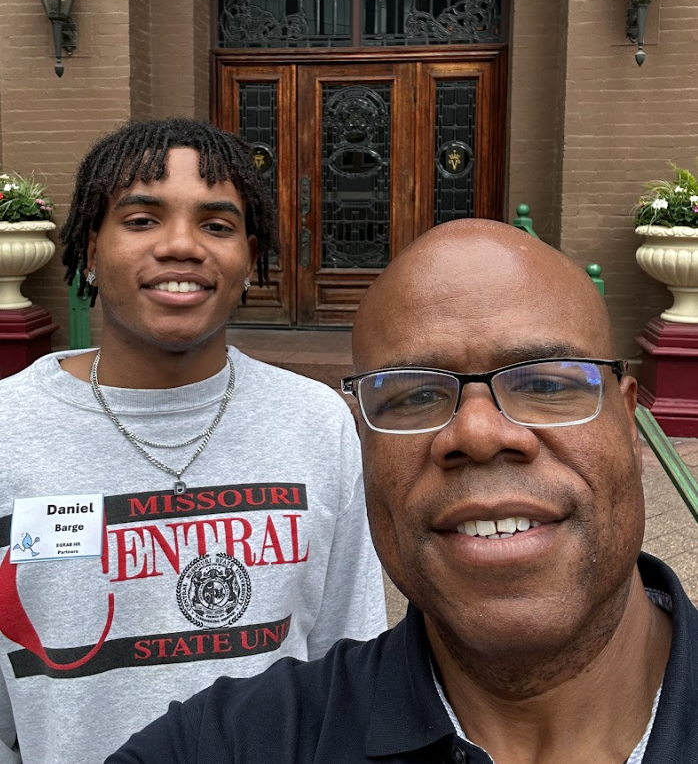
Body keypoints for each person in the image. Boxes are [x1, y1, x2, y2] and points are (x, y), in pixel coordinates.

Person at [107, 218, 698, 764]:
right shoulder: (235, 742)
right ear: (364, 446)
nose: (479, 433)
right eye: (414, 395)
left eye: (544, 382)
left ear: (629, 425)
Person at [0, 117, 386, 764]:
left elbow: (353, 666)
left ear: (249, 256)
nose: (181, 245)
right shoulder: (10, 430)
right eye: (143, 219)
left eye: (216, 224)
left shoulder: (317, 424)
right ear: (89, 249)